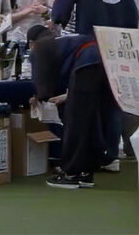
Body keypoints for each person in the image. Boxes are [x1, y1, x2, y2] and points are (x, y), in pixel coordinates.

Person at [28, 25, 116, 190]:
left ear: (31, 43)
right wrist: (65, 96)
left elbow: (44, 83)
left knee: (76, 121)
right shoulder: (63, 41)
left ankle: (71, 173)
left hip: (87, 64)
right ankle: (87, 171)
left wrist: (38, 97)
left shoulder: (39, 48)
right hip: (104, 61)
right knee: (90, 120)